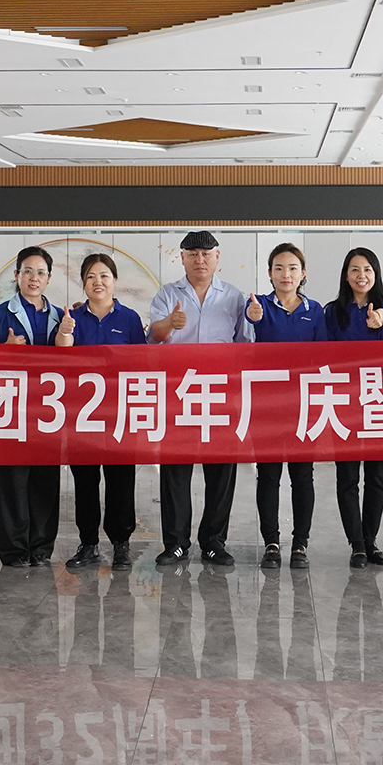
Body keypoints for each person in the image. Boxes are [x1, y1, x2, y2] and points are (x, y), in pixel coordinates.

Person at [147, 230, 252, 567]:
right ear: (182, 258)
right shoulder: (168, 294)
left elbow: (245, 346)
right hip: (178, 393)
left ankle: (213, 542)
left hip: (220, 394)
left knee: (221, 471)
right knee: (175, 470)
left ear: (217, 258)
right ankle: (176, 542)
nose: (200, 260)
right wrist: (169, 323)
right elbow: (153, 338)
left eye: (206, 254)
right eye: (192, 254)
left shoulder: (234, 297)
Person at [58, 252, 149, 571]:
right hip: (81, 417)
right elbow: (60, 357)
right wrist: (65, 331)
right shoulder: (72, 317)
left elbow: (142, 364)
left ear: (114, 281)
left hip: (120, 414)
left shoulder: (129, 319)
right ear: (83, 283)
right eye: (91, 277)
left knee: (121, 481)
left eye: (104, 276)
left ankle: (121, 544)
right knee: (85, 482)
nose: (98, 282)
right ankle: (88, 544)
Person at [0, 246, 64, 568]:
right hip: (10, 409)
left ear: (49, 278)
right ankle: (14, 550)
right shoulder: (1, 314)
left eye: (40, 272)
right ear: (17, 275)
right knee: (12, 481)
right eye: (27, 271)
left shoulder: (61, 317)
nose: (34, 278)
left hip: (49, 411)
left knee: (45, 480)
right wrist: (4, 349)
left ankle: (41, 548)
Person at [246, 243, 324, 570]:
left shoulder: (314, 310)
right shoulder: (258, 305)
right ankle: (272, 542)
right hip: (266, 404)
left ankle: (301, 543)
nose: (286, 274)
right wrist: (253, 319)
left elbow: (324, 356)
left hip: (303, 404)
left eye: (292, 268)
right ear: (270, 273)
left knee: (302, 476)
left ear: (302, 273)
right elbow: (247, 330)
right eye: (278, 268)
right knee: (269, 475)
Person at [323, 247, 383, 568]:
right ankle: (356, 544)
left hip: (379, 398)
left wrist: (379, 317)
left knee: (377, 476)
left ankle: (371, 541)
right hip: (344, 400)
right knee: (348, 477)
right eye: (355, 269)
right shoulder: (332, 312)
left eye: (368, 269)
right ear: (346, 275)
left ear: (376, 274)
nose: (361, 275)